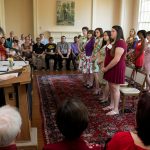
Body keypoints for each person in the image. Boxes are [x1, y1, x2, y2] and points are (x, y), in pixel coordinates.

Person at [102, 25, 127, 115]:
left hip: (116, 68)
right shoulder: (114, 42)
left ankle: (116, 109)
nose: (111, 32)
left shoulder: (121, 43)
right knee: (111, 87)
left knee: (115, 88)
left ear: (118, 32)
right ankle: (112, 105)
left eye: (113, 31)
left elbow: (116, 59)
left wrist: (106, 68)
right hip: (110, 68)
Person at [98, 31, 112, 103]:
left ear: (110, 36)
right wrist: (99, 60)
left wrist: (101, 61)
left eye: (106, 35)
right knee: (101, 81)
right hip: (101, 64)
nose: (104, 36)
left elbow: (108, 56)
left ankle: (106, 97)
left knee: (105, 82)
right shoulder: (104, 44)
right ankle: (103, 95)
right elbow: (100, 53)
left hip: (105, 64)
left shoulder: (110, 45)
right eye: (104, 35)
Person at [92, 28, 103, 95]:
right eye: (95, 32)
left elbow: (100, 50)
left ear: (100, 32)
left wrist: (96, 57)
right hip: (94, 57)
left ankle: (98, 89)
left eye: (97, 32)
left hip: (98, 58)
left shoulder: (102, 40)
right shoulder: (96, 39)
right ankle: (97, 88)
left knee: (97, 74)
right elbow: (94, 49)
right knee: (95, 74)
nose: (96, 34)